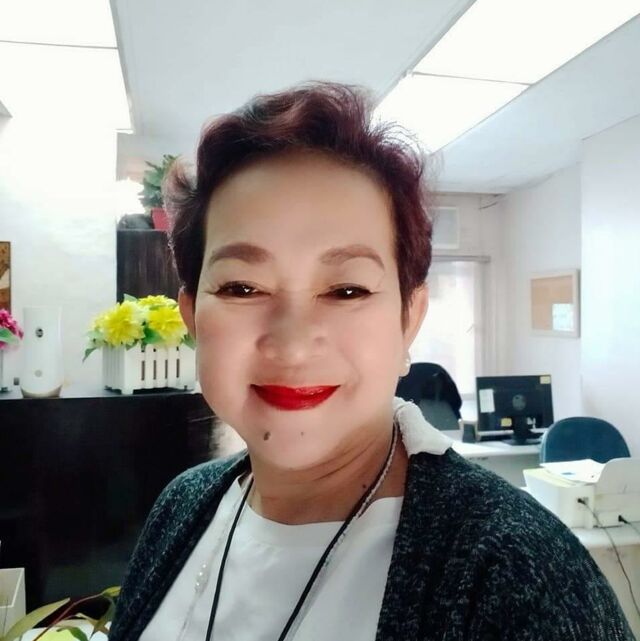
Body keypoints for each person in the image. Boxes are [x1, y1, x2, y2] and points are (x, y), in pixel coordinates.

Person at [109, 82, 634, 641]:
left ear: (409, 319)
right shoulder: (183, 505)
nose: (292, 345)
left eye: (347, 290)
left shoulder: (516, 573)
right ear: (192, 316)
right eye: (242, 287)